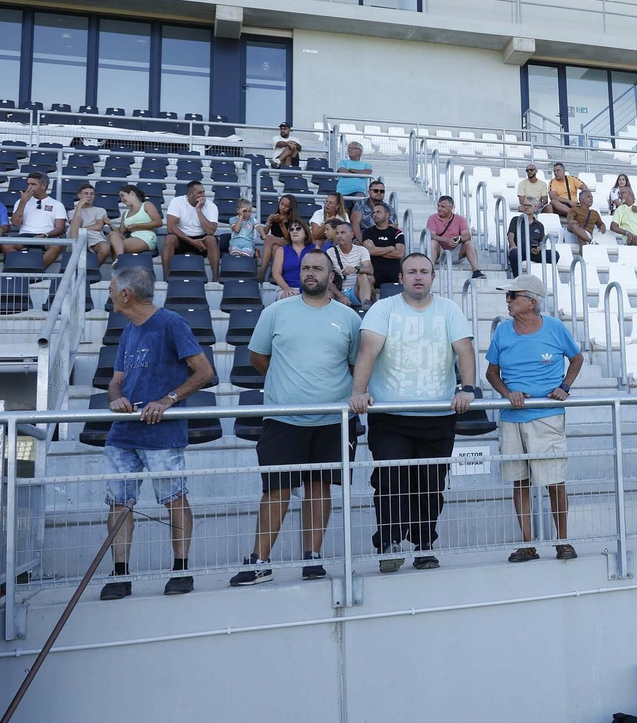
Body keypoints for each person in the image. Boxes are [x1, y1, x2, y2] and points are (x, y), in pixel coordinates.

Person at [230, 250, 359, 586]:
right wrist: (287, 382)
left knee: (320, 489)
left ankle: (312, 558)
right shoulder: (276, 312)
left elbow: (354, 365)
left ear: (331, 276)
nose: (310, 273)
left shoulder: (348, 319)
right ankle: (259, 561)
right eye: (305, 268)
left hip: (332, 419)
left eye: (317, 268)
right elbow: (258, 357)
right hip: (282, 418)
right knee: (276, 490)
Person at [351, 253, 478, 573]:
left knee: (431, 485)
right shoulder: (383, 308)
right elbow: (368, 350)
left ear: (433, 277)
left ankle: (424, 544)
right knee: (389, 481)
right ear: (401, 277)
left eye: (424, 271)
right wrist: (358, 391)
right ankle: (389, 544)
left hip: (438, 416)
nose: (418, 276)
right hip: (391, 417)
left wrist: (468, 388)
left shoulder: (449, 309)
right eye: (411, 272)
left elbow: (465, 350)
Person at [99, 265, 213, 600]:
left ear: (125, 294)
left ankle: (181, 570)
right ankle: (120, 574)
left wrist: (167, 400)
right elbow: (116, 379)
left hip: (162, 432)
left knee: (173, 498)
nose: (108, 295)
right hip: (124, 432)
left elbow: (204, 371)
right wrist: (116, 398)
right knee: (118, 503)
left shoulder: (171, 323)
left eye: (111, 289)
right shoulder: (128, 331)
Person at [485, 273, 583, 563]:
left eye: (513, 296)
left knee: (555, 481)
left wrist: (565, 387)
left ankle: (563, 541)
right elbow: (491, 372)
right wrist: (507, 393)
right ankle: (527, 544)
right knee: (520, 480)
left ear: (531, 301)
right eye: (508, 296)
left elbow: (576, 358)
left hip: (547, 415)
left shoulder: (553, 327)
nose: (508, 300)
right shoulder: (502, 331)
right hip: (513, 417)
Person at [5, 171, 67, 268]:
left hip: (46, 236)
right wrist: (23, 202)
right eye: (28, 184)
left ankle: (36, 269)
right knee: (5, 244)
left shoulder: (57, 204)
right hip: (25, 235)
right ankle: (21, 266)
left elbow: (60, 228)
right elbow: (15, 223)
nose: (29, 187)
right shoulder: (20, 201)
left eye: (33, 184)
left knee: (56, 246)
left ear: (43, 186)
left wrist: (45, 235)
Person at [162, 179, 221, 280]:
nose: (203, 195)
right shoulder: (177, 201)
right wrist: (192, 242)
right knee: (169, 239)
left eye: (203, 192)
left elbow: (210, 231)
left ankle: (215, 279)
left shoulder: (211, 206)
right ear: (189, 194)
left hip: (202, 240)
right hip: (182, 237)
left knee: (211, 239)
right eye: (199, 192)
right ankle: (166, 278)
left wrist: (198, 210)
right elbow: (170, 227)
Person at [427, 194, 485, 277]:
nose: (439, 208)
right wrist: (447, 240)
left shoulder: (460, 219)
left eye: (442, 206)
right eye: (438, 206)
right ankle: (430, 271)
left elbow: (467, 235)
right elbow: (431, 236)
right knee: (433, 243)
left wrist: (458, 240)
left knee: (469, 243)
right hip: (439, 252)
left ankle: (476, 271)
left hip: (456, 251)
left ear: (451, 208)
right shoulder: (432, 218)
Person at [323, 219, 373, 307]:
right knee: (327, 291)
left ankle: (365, 307)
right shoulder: (330, 252)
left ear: (351, 235)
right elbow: (327, 279)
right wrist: (341, 296)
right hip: (337, 292)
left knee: (363, 275)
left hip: (356, 291)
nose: (339, 236)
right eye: (337, 233)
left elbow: (370, 269)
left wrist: (356, 269)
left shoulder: (361, 250)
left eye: (343, 233)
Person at [109, 185, 162, 260]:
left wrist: (137, 226)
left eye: (123, 196)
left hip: (146, 237)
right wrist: (110, 224)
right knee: (113, 234)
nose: (122, 199)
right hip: (131, 238)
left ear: (132, 193)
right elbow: (121, 233)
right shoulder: (125, 214)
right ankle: (119, 262)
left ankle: (120, 262)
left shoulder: (146, 205)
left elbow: (159, 223)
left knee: (116, 246)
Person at [361, 201, 406, 287]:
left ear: (387, 215)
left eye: (378, 212)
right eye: (373, 212)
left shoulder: (397, 232)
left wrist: (376, 250)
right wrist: (390, 248)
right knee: (365, 279)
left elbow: (399, 253)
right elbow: (370, 251)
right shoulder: (368, 232)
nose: (375, 214)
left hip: (393, 274)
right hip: (374, 273)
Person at [507, 196, 554, 277]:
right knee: (514, 253)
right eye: (525, 205)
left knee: (554, 255)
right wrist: (513, 245)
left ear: (536, 208)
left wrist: (540, 248)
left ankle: (543, 278)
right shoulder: (516, 220)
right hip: (520, 250)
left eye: (529, 206)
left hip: (534, 252)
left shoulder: (539, 225)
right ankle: (518, 279)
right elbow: (510, 234)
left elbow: (541, 241)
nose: (526, 207)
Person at [271, 221, 318, 298]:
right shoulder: (281, 250)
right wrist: (287, 289)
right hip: (287, 288)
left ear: (306, 232)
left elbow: (320, 270)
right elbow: (276, 273)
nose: (294, 231)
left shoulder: (314, 248)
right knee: (289, 297)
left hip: (310, 287)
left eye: (298, 229)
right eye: (291, 229)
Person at [67, 182, 112, 264]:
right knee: (74, 230)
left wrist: (80, 230)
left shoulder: (100, 210)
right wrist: (79, 206)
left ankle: (93, 269)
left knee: (105, 247)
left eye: (92, 194)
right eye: (86, 193)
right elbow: (74, 226)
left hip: (94, 236)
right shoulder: (72, 212)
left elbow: (99, 226)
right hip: (76, 237)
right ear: (79, 195)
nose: (89, 196)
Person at [260, 193, 297, 275]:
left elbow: (290, 238)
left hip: (290, 244)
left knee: (269, 239)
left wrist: (281, 223)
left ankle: (261, 273)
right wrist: (268, 223)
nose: (283, 207)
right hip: (276, 244)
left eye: (286, 206)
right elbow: (262, 236)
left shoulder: (294, 220)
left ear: (291, 208)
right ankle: (275, 275)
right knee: (274, 248)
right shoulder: (274, 217)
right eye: (282, 204)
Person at [335, 141, 372, 207]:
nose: (349, 150)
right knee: (345, 214)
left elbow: (368, 172)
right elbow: (342, 172)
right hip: (342, 192)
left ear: (359, 151)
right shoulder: (343, 162)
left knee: (360, 201)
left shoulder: (366, 165)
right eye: (348, 148)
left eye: (351, 148)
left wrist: (353, 170)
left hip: (358, 191)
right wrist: (360, 173)